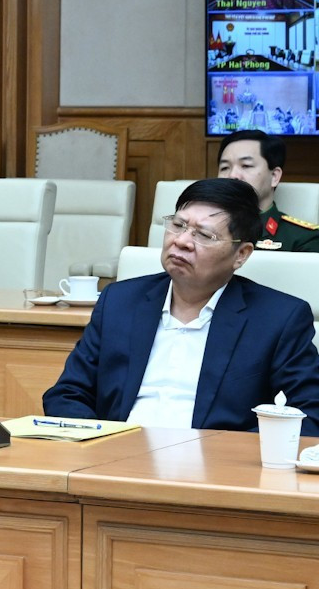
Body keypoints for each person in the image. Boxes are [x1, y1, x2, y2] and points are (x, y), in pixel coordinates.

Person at [43, 178, 319, 432]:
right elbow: (67, 393)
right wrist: (99, 444)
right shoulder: (119, 301)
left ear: (241, 254)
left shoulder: (278, 318)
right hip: (116, 464)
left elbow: (310, 413)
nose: (182, 241)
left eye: (204, 235)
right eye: (178, 225)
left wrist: (230, 459)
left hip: (212, 472)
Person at [216, 129, 319, 252]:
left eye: (246, 165)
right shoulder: (199, 228)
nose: (233, 175)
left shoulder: (304, 238)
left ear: (274, 176)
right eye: (225, 167)